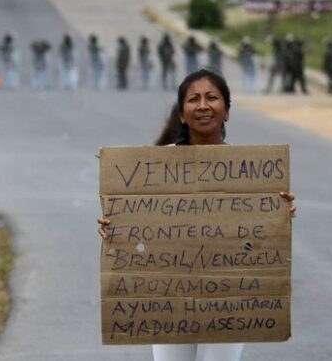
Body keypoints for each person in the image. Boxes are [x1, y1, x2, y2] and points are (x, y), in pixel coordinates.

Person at [98, 67, 297, 361]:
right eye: (194, 99)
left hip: (230, 294)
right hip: (167, 296)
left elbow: (259, 241)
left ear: (227, 110)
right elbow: (137, 231)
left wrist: (279, 214)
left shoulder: (253, 173)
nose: (203, 106)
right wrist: (113, 227)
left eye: (212, 98)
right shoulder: (154, 167)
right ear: (181, 113)